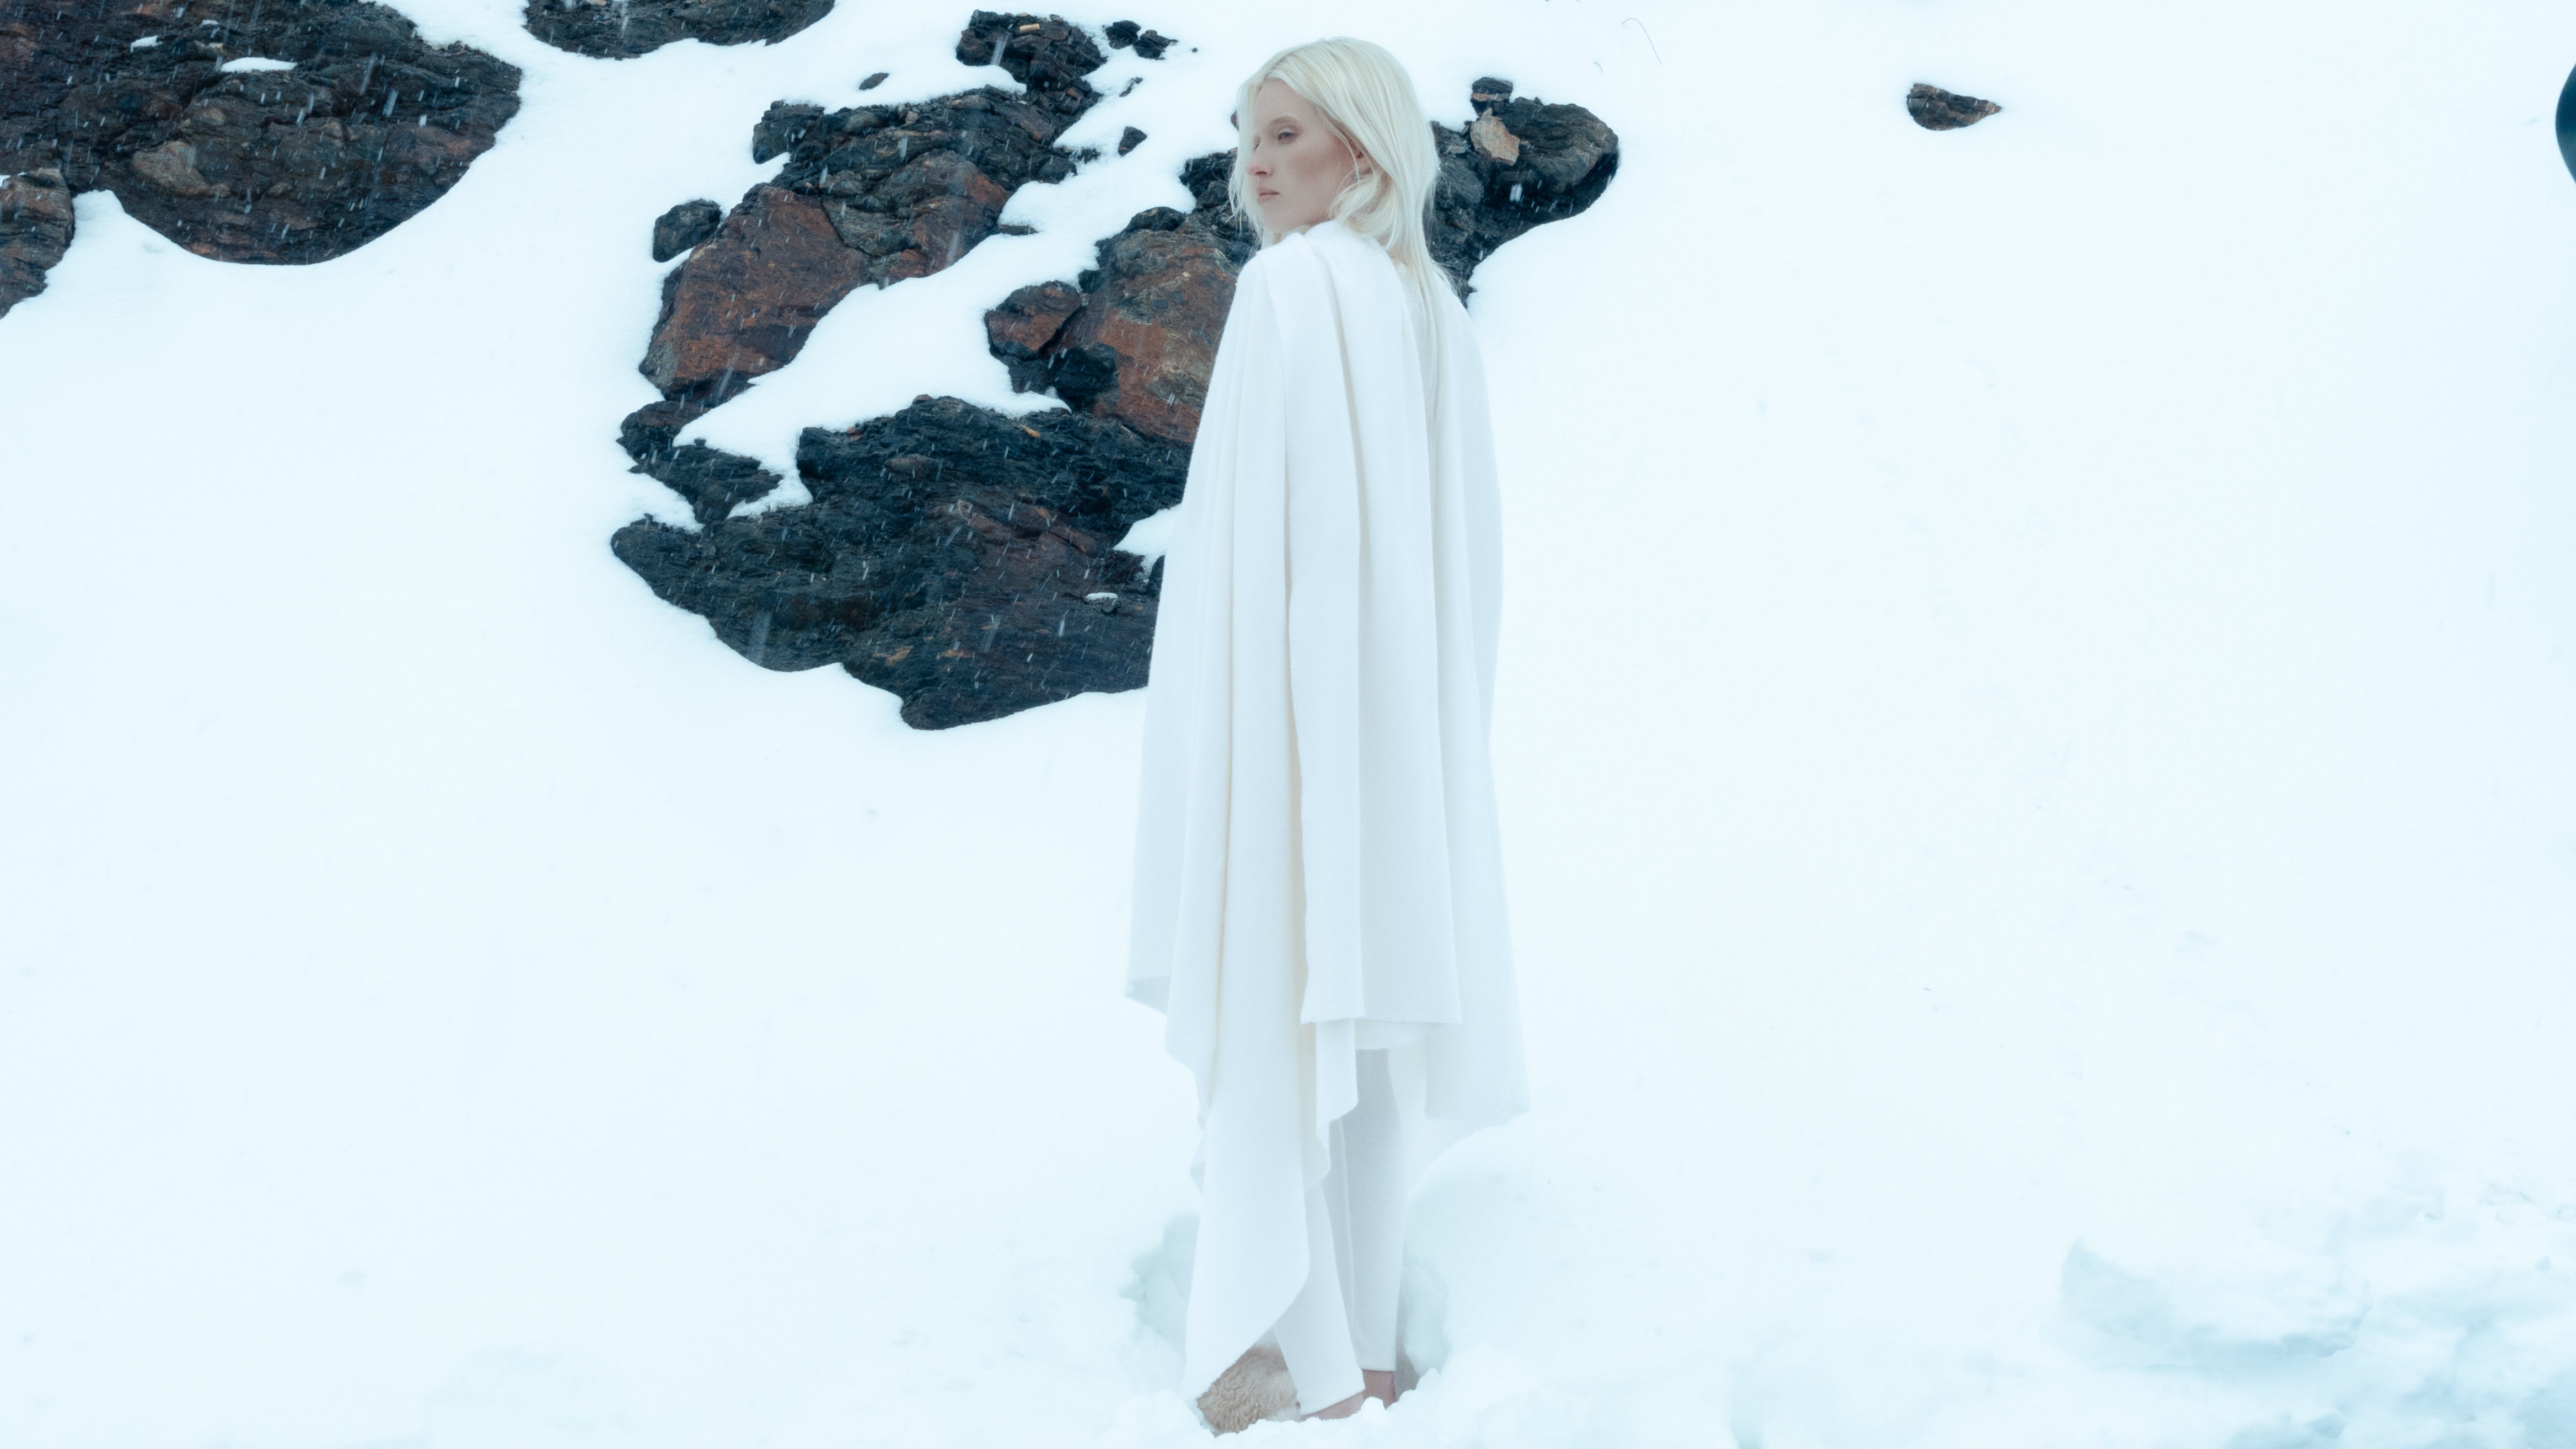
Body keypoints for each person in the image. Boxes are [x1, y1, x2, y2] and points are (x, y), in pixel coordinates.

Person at [1122, 36, 1531, 1431]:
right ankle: (1350, 1346)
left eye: (1287, 134)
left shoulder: (1291, 289)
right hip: (1391, 737)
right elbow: (1463, 555)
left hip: (1297, 721)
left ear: (1360, 150)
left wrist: (1261, 733)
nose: (1257, 161)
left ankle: (1278, 1347)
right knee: (1345, 1033)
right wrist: (1406, 728)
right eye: (1249, 133)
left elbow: (1261, 550)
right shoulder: (1426, 308)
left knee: (1276, 1000)